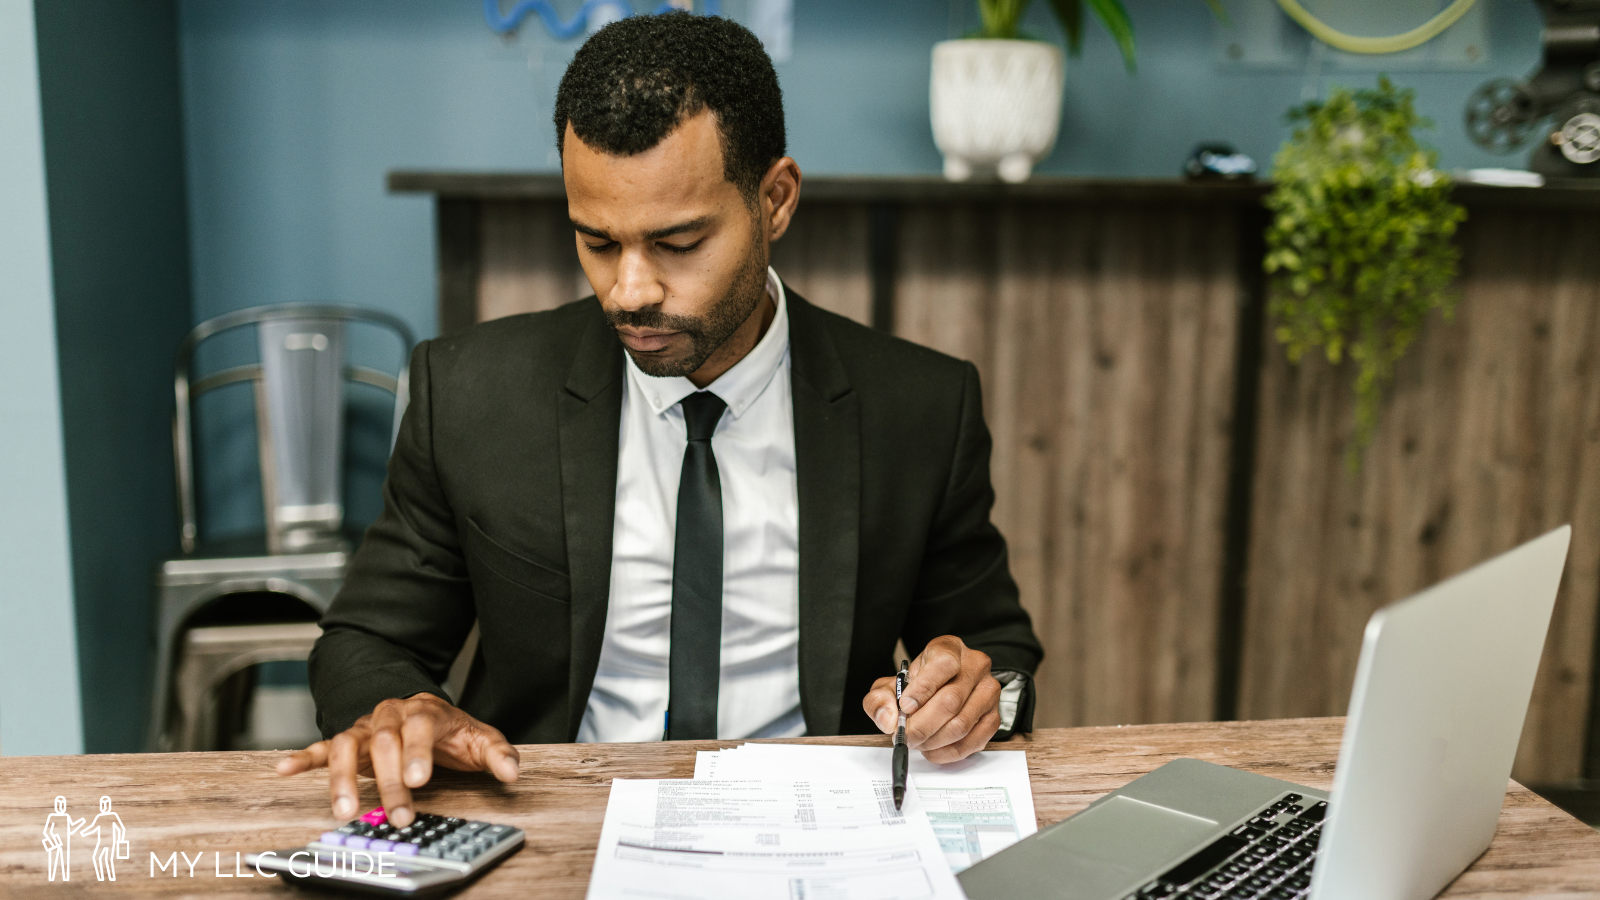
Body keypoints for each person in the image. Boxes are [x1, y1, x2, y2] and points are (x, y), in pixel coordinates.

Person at [279, 12, 1042, 830]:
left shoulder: (919, 406)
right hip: (548, 822)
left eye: (678, 242)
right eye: (597, 242)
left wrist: (977, 695)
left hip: (819, 829)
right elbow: (363, 642)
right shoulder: (468, 395)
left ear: (775, 200)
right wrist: (400, 705)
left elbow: (996, 652)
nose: (630, 290)